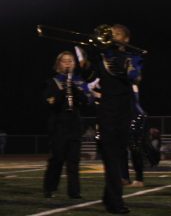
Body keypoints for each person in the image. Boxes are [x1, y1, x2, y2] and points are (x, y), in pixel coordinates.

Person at [80, 24, 142, 214]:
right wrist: (85, 65)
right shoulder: (101, 57)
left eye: (116, 34)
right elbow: (90, 78)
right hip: (106, 112)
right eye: (110, 34)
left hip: (124, 112)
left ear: (126, 39)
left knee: (116, 156)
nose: (112, 36)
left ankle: (109, 198)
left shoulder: (133, 57)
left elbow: (135, 77)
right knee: (111, 157)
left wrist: (127, 64)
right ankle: (115, 202)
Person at [42, 51, 87, 199]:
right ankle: (50, 188)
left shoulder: (79, 81)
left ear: (74, 64)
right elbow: (51, 103)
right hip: (59, 125)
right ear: (58, 64)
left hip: (74, 124)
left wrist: (73, 88)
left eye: (71, 61)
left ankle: (74, 192)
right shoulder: (52, 81)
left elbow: (86, 102)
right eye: (64, 61)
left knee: (73, 161)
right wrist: (63, 90)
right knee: (57, 159)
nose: (68, 63)